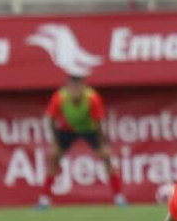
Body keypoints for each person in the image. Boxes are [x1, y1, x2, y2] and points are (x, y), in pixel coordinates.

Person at [35, 73, 125, 210]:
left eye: (78, 87)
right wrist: (55, 142)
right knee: (53, 157)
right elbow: (51, 120)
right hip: (67, 129)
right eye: (72, 87)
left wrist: (102, 144)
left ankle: (119, 197)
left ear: (83, 87)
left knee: (106, 157)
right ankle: (44, 200)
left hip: (89, 129)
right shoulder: (59, 97)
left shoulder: (92, 98)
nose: (75, 91)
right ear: (67, 87)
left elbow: (99, 123)